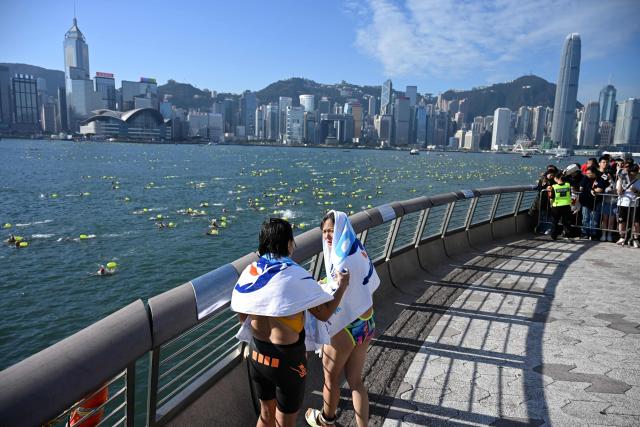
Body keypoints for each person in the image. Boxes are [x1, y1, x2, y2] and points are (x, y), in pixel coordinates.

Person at [231, 218, 349, 427]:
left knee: (265, 415)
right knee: (285, 422)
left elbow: (242, 315)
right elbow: (324, 313)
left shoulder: (250, 272)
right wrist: (342, 287)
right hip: (287, 360)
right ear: (287, 243)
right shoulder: (295, 275)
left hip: (257, 353)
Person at [305, 211, 380, 427]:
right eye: (325, 232)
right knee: (356, 381)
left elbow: (337, 293)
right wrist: (329, 283)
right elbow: (364, 282)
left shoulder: (341, 259)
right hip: (366, 321)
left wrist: (319, 289)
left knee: (331, 379)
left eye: (331, 230)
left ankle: (325, 421)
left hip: (346, 328)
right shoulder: (357, 249)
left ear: (340, 229)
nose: (328, 236)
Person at [616, 163, 640, 247]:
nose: (632, 176)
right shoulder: (621, 179)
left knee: (635, 223)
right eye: (631, 174)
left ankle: (635, 239)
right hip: (622, 203)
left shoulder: (638, 181)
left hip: (634, 204)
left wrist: (635, 191)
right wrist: (620, 180)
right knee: (622, 221)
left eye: (635, 174)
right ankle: (622, 237)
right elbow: (619, 192)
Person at [578, 166, 606, 240]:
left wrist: (590, 189)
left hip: (596, 202)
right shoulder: (585, 178)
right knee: (585, 218)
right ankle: (585, 233)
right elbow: (581, 188)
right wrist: (591, 190)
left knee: (594, 219)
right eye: (586, 173)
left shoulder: (600, 179)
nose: (587, 174)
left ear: (594, 173)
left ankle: (593, 233)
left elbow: (599, 189)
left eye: (589, 173)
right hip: (586, 201)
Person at [547, 173, 574, 240]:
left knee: (555, 221)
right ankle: (567, 235)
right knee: (566, 222)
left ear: (557, 178)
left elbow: (551, 197)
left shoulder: (554, 186)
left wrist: (550, 205)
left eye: (555, 178)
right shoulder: (568, 185)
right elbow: (569, 194)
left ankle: (554, 236)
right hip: (566, 206)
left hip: (556, 206)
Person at [598, 157, 617, 241]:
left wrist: (611, 180)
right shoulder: (603, 176)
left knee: (611, 220)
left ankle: (609, 234)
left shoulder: (616, 177)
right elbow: (601, 185)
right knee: (605, 219)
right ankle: (604, 234)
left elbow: (616, 188)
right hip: (605, 201)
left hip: (614, 201)